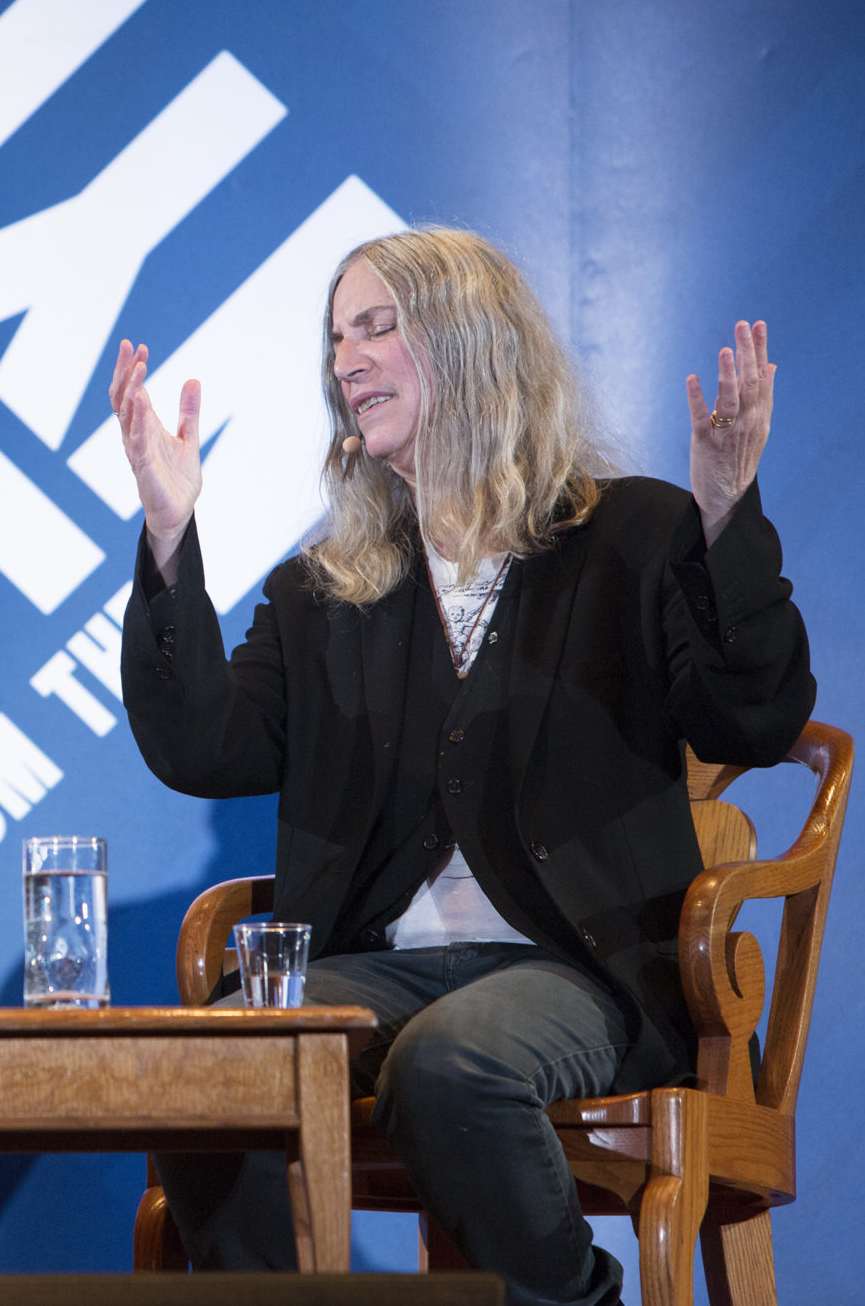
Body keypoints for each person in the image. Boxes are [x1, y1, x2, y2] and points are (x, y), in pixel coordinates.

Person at [111, 227, 811, 1305]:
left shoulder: (626, 534)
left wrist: (721, 517)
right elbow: (204, 746)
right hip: (375, 967)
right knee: (221, 1056)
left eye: (379, 326)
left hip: (579, 971)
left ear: (474, 344)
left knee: (451, 1062)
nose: (346, 359)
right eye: (337, 334)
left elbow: (751, 718)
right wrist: (168, 534)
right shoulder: (323, 588)